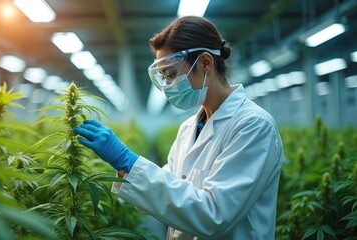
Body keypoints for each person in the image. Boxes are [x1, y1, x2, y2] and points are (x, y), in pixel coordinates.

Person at [73, 16, 284, 240]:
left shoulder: (253, 125)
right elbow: (167, 192)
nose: (167, 86)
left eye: (172, 74)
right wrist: (125, 166)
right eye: (164, 78)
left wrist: (128, 159)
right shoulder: (188, 129)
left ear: (205, 63)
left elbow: (215, 214)